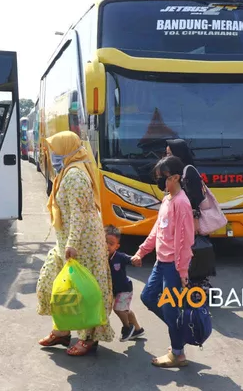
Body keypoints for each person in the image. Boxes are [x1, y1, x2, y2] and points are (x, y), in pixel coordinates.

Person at [36, 131, 114, 356]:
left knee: (84, 291)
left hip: (82, 243)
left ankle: (89, 338)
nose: (52, 153)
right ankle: (62, 331)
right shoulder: (68, 170)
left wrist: (72, 244)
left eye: (56, 148)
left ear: (66, 148)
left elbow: (79, 213)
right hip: (68, 241)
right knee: (55, 285)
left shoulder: (74, 176)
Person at [132, 156, 195, 368]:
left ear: (176, 177)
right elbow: (157, 230)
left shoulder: (182, 203)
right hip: (161, 262)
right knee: (148, 297)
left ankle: (178, 353)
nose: (161, 182)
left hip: (174, 266)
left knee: (169, 308)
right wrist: (142, 251)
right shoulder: (168, 199)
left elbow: (185, 241)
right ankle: (180, 333)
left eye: (164, 178)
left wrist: (183, 272)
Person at [105, 225, 145, 341]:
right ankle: (137, 329)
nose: (107, 246)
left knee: (118, 309)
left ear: (117, 246)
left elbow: (129, 258)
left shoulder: (119, 257)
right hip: (113, 290)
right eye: (105, 242)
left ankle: (127, 327)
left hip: (125, 289)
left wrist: (135, 259)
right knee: (125, 310)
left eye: (111, 244)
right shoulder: (100, 257)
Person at [166, 139, 205, 215]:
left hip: (188, 216)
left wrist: (195, 215)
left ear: (179, 154)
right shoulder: (175, 170)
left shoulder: (189, 171)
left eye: (170, 154)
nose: (167, 158)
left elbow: (196, 197)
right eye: (167, 154)